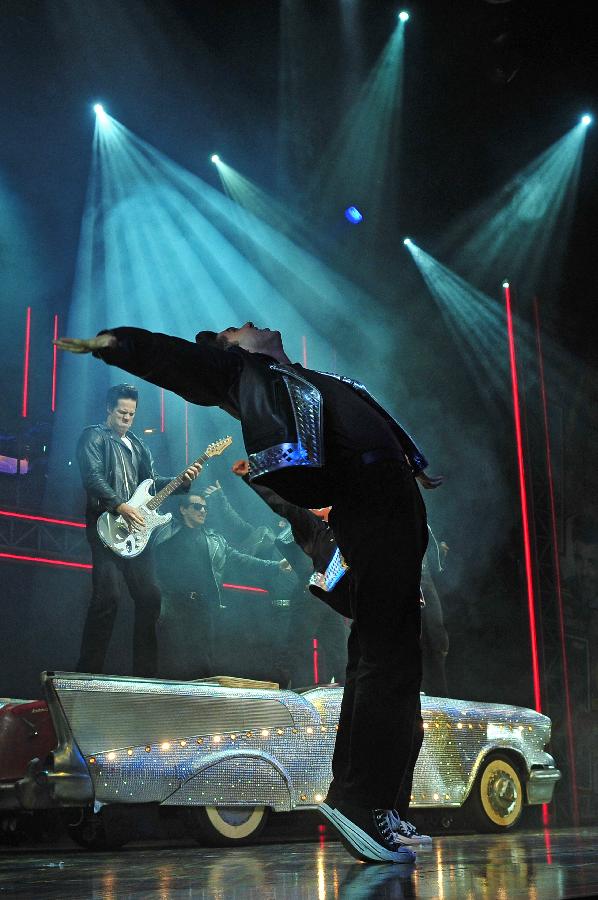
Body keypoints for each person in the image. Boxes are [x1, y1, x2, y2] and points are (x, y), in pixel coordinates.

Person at [57, 322, 442, 865]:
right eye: (240, 330)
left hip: (394, 506)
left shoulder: (304, 376)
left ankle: (380, 802)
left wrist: (411, 465)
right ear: (234, 348)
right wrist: (124, 345)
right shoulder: (249, 372)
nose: (253, 325)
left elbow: (368, 417)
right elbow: (192, 368)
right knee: (384, 659)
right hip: (373, 508)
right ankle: (363, 802)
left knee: (394, 661)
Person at [76, 383, 201, 676]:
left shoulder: (139, 445)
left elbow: (151, 483)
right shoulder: (93, 436)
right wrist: (120, 505)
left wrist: (182, 481)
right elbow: (92, 476)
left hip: (138, 533)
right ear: (109, 408)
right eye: (122, 412)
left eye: (131, 413)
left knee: (150, 597)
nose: (127, 418)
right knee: (108, 598)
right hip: (106, 524)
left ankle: (144, 674)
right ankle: (87, 672)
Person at [155, 491, 291, 679]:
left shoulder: (215, 540)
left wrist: (275, 565)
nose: (202, 511)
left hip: (204, 608)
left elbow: (241, 560)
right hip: (175, 606)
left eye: (205, 508)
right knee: (173, 662)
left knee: (203, 663)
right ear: (183, 509)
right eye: (196, 506)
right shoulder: (166, 533)